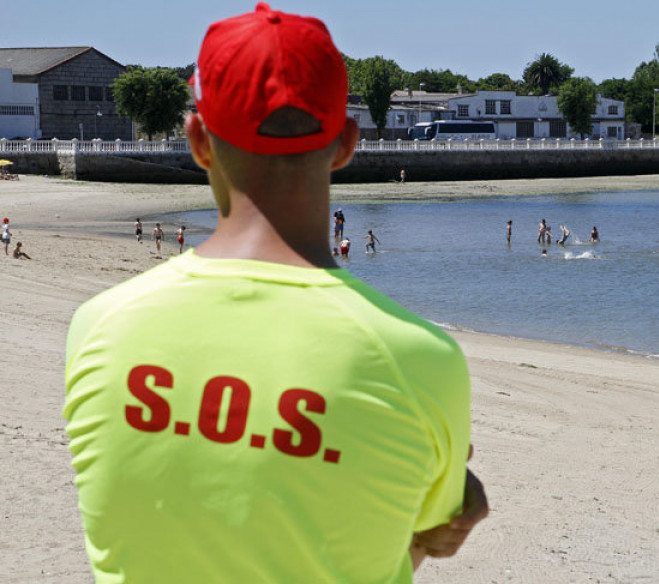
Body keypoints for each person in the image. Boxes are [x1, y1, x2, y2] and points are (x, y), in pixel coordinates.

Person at [63, 6, 486, 583]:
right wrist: (436, 534)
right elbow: (382, 553)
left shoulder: (100, 327)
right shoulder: (419, 360)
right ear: (345, 144)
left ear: (198, 140)